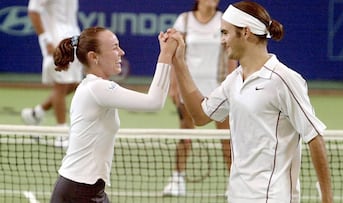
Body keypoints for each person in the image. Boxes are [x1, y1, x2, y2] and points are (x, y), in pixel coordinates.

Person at [168, 1, 333, 203]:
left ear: (245, 33)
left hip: (273, 197)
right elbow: (201, 116)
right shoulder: (234, 80)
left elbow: (314, 136)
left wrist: (327, 198)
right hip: (238, 196)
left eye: (225, 33)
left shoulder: (284, 79)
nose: (222, 40)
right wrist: (179, 63)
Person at [49, 26, 176, 202]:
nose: (121, 52)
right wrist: (166, 55)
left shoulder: (94, 87)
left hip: (88, 189)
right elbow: (154, 102)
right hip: (77, 192)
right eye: (115, 47)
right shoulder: (97, 88)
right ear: (94, 57)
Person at [163, 0, 237, 196]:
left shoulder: (224, 21)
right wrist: (174, 84)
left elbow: (232, 54)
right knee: (185, 134)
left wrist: (233, 83)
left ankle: (234, 183)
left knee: (226, 138)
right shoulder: (184, 20)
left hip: (219, 88)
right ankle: (177, 179)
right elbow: (175, 55)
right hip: (190, 88)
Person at [21, 0, 82, 147]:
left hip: (74, 37)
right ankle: (60, 134)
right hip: (55, 39)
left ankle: (36, 114)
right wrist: (46, 40)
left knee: (74, 83)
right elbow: (33, 11)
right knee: (60, 86)